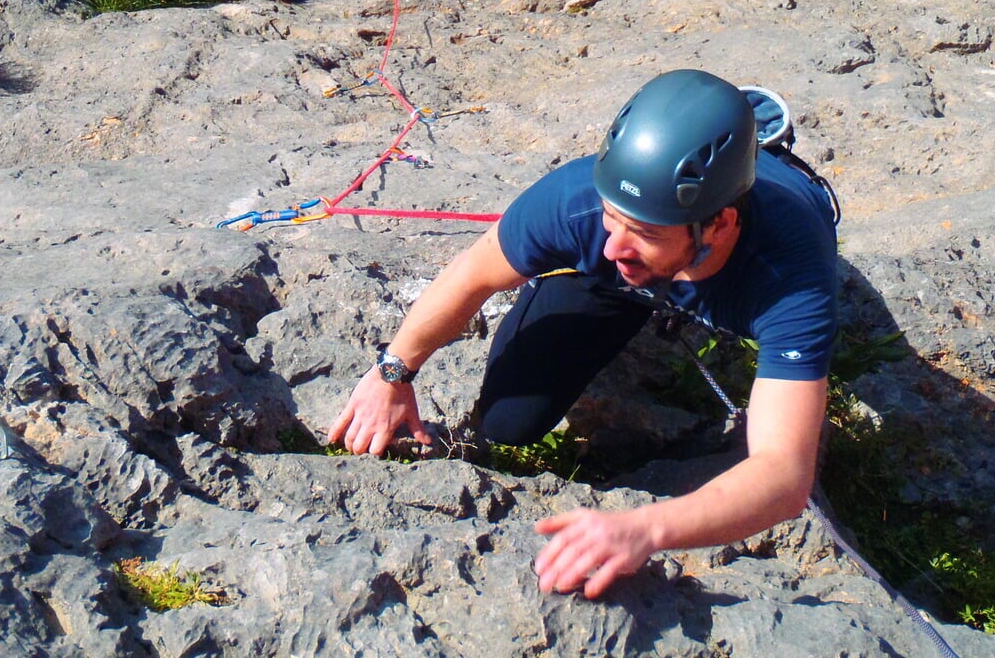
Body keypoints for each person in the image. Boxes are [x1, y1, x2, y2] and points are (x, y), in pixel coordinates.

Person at [327, 69, 840, 599]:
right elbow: (472, 275)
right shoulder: (576, 201)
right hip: (624, 285)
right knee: (508, 421)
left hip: (760, 238)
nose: (615, 245)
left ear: (720, 225)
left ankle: (766, 147)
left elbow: (783, 475)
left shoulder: (792, 276)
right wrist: (392, 374)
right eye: (612, 218)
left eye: (643, 231)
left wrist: (647, 528)